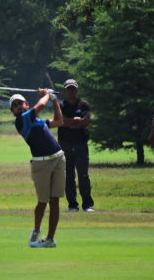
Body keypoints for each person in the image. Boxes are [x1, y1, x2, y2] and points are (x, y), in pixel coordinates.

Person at [9, 89, 65, 248]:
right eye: (15, 106)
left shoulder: (38, 121)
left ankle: (50, 239)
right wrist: (47, 93)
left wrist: (54, 99)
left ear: (26, 104)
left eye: (20, 103)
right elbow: (40, 105)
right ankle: (36, 229)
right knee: (42, 202)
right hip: (40, 164)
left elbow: (59, 121)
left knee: (55, 201)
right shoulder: (21, 121)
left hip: (59, 159)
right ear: (13, 112)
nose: (18, 106)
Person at [58, 79, 94, 212]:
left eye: (73, 88)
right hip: (65, 144)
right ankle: (72, 204)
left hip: (81, 144)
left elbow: (85, 122)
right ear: (65, 91)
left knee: (83, 174)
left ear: (77, 90)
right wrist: (74, 121)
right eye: (69, 89)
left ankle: (87, 204)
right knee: (68, 176)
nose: (71, 91)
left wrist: (69, 123)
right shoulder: (61, 105)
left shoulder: (84, 105)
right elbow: (59, 121)